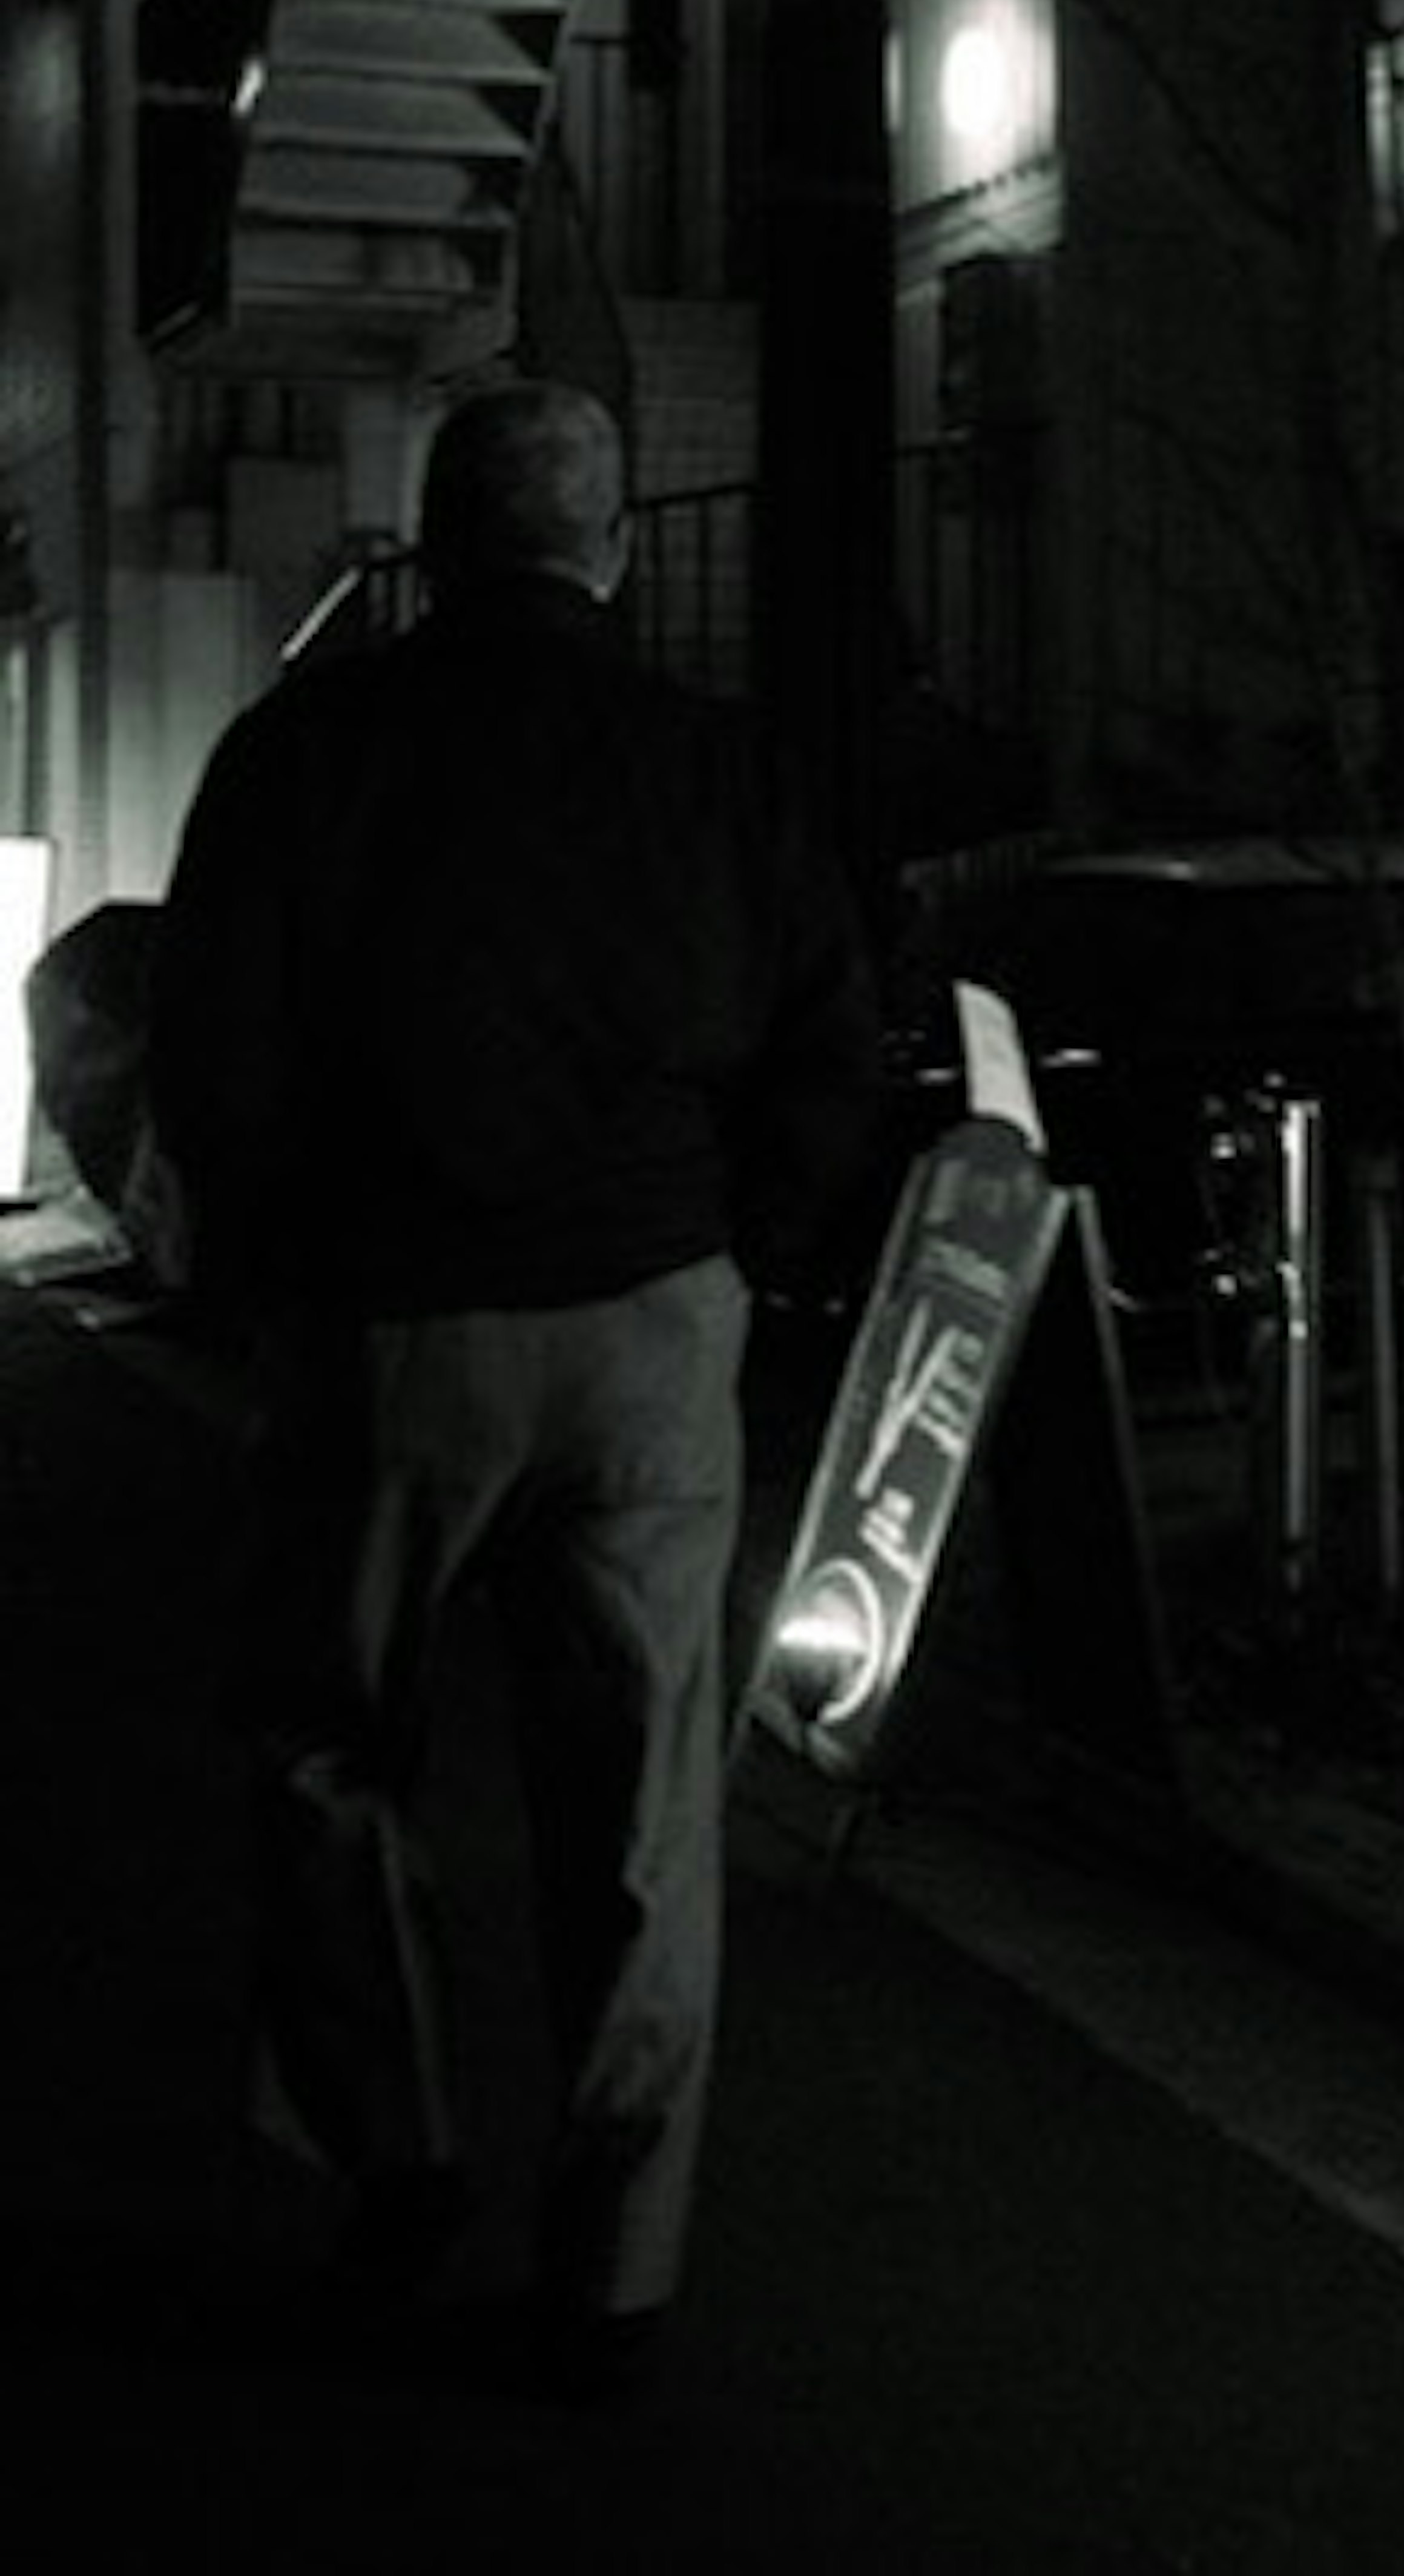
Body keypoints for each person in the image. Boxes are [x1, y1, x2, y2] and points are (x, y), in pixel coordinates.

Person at [147, 378, 880, 2397]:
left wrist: (284, 1263)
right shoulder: (714, 766)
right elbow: (836, 1041)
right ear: (614, 546)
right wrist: (745, 1239)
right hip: (654, 1316)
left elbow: (211, 1050)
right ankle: (618, 2258)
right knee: (641, 1798)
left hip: (390, 1325)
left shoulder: (309, 753)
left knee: (326, 1750)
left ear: (433, 540)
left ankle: (396, 2168)